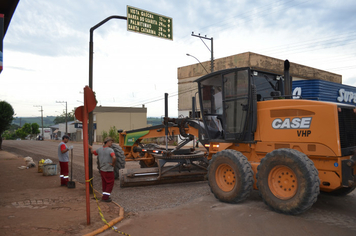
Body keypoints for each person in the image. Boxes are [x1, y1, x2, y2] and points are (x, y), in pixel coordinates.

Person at [89, 137, 116, 202]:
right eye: (111, 142)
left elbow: (93, 152)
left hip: (102, 170)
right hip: (109, 169)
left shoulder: (99, 149)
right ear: (108, 142)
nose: (111, 143)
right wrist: (113, 164)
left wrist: (90, 147)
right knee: (110, 183)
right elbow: (114, 157)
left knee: (104, 183)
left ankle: (104, 196)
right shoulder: (110, 150)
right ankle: (106, 197)